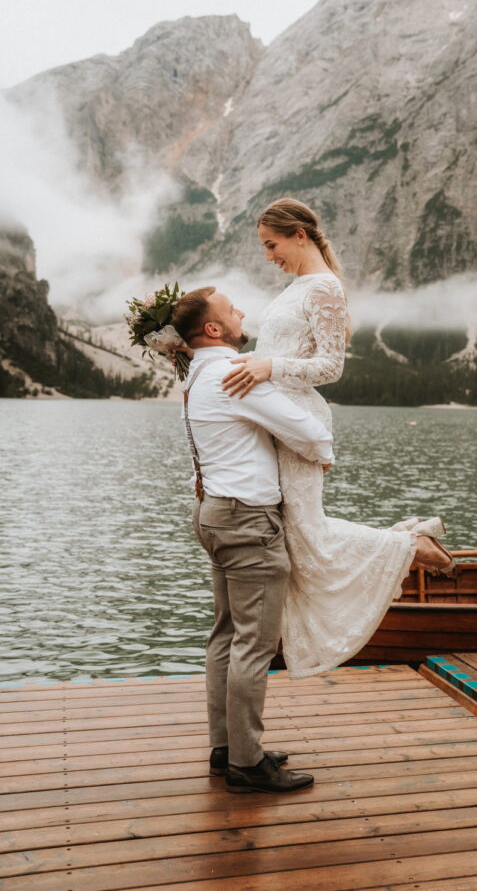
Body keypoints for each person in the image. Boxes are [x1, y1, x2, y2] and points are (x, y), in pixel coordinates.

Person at [221, 197, 454, 679]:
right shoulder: (296, 288)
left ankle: (410, 547)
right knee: (292, 534)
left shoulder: (325, 288)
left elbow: (332, 366)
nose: (268, 256)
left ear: (299, 235)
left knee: (309, 535)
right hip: (274, 419)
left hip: (298, 420)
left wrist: (271, 367)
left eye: (272, 244)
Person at [171, 286, 333, 794]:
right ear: (214, 329)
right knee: (253, 644)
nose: (242, 312)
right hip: (246, 520)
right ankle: (247, 762)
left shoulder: (197, 372)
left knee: (225, 635)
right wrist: (321, 449)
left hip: (213, 514)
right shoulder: (233, 373)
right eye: (232, 309)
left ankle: (227, 747)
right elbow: (308, 432)